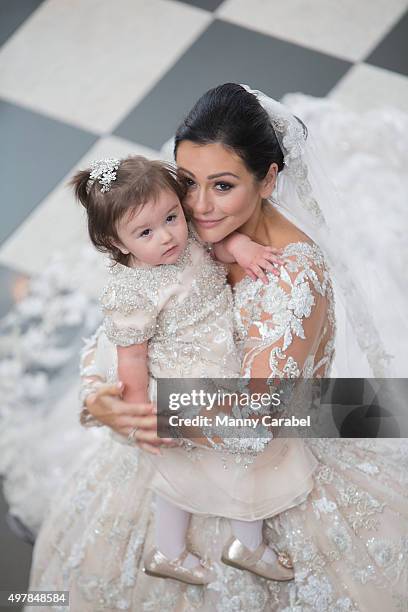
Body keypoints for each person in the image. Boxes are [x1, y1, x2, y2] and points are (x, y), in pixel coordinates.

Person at [25, 84, 408, 611]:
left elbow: (260, 419)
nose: (199, 206)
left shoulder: (290, 279)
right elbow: (129, 330)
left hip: (263, 470)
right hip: (170, 458)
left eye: (223, 186)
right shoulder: (179, 226)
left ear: (269, 179)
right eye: (188, 182)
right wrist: (100, 396)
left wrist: (149, 415)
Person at [70, 153, 292, 585]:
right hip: (184, 384)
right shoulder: (130, 292)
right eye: (145, 232)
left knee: (226, 460)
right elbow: (130, 360)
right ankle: (203, 549)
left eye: (172, 217)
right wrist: (140, 418)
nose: (168, 236)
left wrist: (241, 247)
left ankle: (229, 544)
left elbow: (217, 246)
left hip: (222, 361)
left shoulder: (187, 240)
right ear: (118, 244)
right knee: (223, 462)